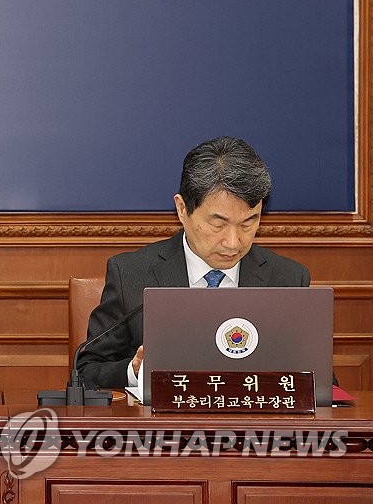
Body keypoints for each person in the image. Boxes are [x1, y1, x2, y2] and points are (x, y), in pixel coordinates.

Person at [76, 136, 310, 390]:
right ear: (181, 209)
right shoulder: (131, 275)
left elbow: (319, 379)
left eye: (248, 222)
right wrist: (134, 371)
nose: (233, 242)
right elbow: (87, 371)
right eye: (218, 224)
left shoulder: (288, 279)